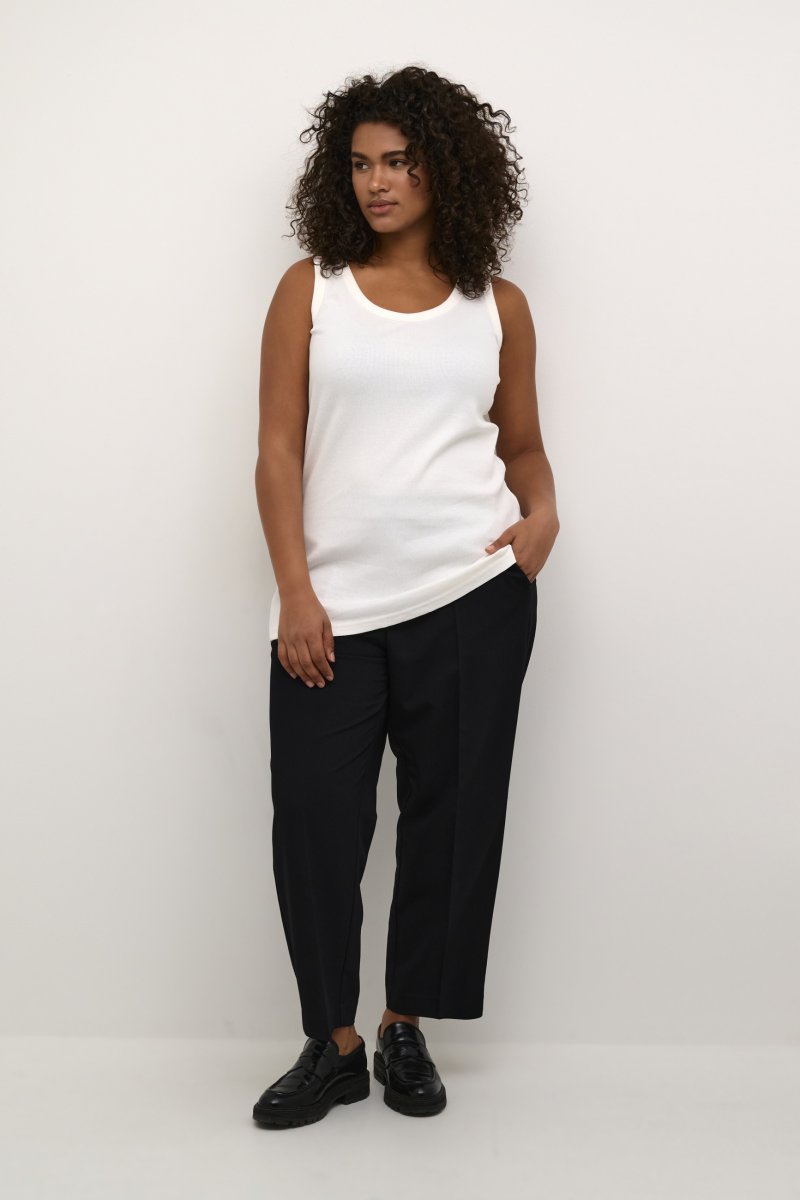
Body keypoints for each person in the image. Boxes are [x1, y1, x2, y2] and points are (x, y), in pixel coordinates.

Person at [252, 64, 560, 1129]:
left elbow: (522, 446)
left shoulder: (497, 308)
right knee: (316, 822)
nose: (376, 182)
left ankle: (401, 1026)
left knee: (452, 818)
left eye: (399, 161)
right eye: (360, 163)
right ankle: (331, 1044)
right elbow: (277, 451)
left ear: (445, 169)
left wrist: (542, 515)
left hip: (473, 593)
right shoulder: (312, 290)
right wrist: (296, 590)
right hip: (331, 609)